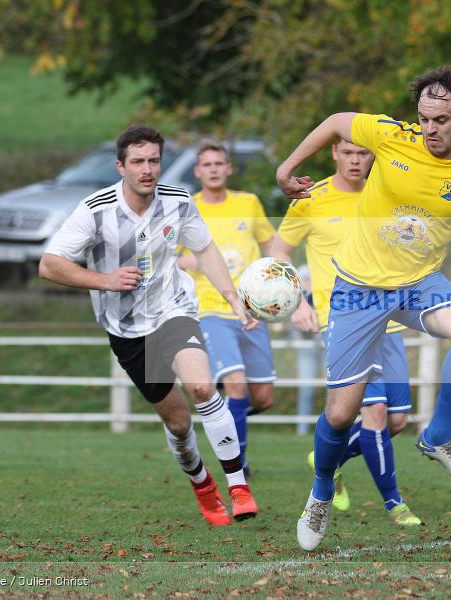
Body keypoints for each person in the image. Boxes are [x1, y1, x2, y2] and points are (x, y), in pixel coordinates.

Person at [276, 65, 451, 550]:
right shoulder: (392, 136)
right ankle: (320, 495)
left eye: (441, 119)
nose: (430, 129)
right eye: (424, 118)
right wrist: (284, 169)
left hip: (419, 283)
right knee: (340, 416)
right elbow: (338, 121)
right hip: (359, 287)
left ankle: (437, 436)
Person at [39, 125, 258, 526]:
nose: (147, 169)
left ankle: (239, 485)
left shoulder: (177, 201)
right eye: (137, 162)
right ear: (120, 166)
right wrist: (104, 280)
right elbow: (49, 264)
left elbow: (205, 249)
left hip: (174, 310)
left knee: (202, 387)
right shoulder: (95, 210)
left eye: (154, 160)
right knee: (178, 423)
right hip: (127, 331)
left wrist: (231, 297)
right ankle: (202, 483)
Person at [270, 138, 422, 527]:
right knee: (373, 411)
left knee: (397, 422)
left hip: (387, 320)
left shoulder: (385, 195)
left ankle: (327, 456)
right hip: (343, 323)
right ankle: (395, 504)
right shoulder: (311, 198)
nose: (356, 160)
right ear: (334, 153)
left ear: (373, 156)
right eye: (349, 153)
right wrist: (298, 303)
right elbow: (278, 251)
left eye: (363, 153)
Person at [176, 142, 276, 481]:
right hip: (210, 310)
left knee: (262, 398)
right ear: (198, 171)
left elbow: (271, 244)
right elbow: (161, 256)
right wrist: (184, 261)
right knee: (236, 386)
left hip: (252, 310)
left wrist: (284, 279)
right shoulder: (187, 208)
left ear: (229, 168)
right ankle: (239, 468)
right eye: (207, 164)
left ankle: (220, 421)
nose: (214, 169)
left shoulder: (248, 203)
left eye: (220, 163)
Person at [291, 264, 322, 436]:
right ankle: (302, 430)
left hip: (328, 342)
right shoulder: (300, 271)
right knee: (306, 389)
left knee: (336, 390)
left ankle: (331, 430)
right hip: (306, 344)